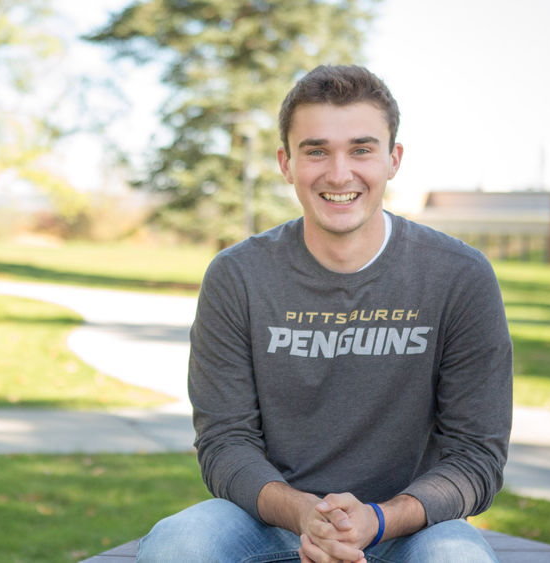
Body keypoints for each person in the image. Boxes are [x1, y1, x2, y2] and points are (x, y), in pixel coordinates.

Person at [136, 65, 513, 563]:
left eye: (361, 149)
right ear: (286, 163)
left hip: (410, 525)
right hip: (268, 519)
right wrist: (303, 514)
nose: (339, 173)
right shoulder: (237, 276)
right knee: (176, 546)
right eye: (316, 150)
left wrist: (378, 520)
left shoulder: (458, 276)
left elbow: (477, 456)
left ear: (393, 159)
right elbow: (225, 443)